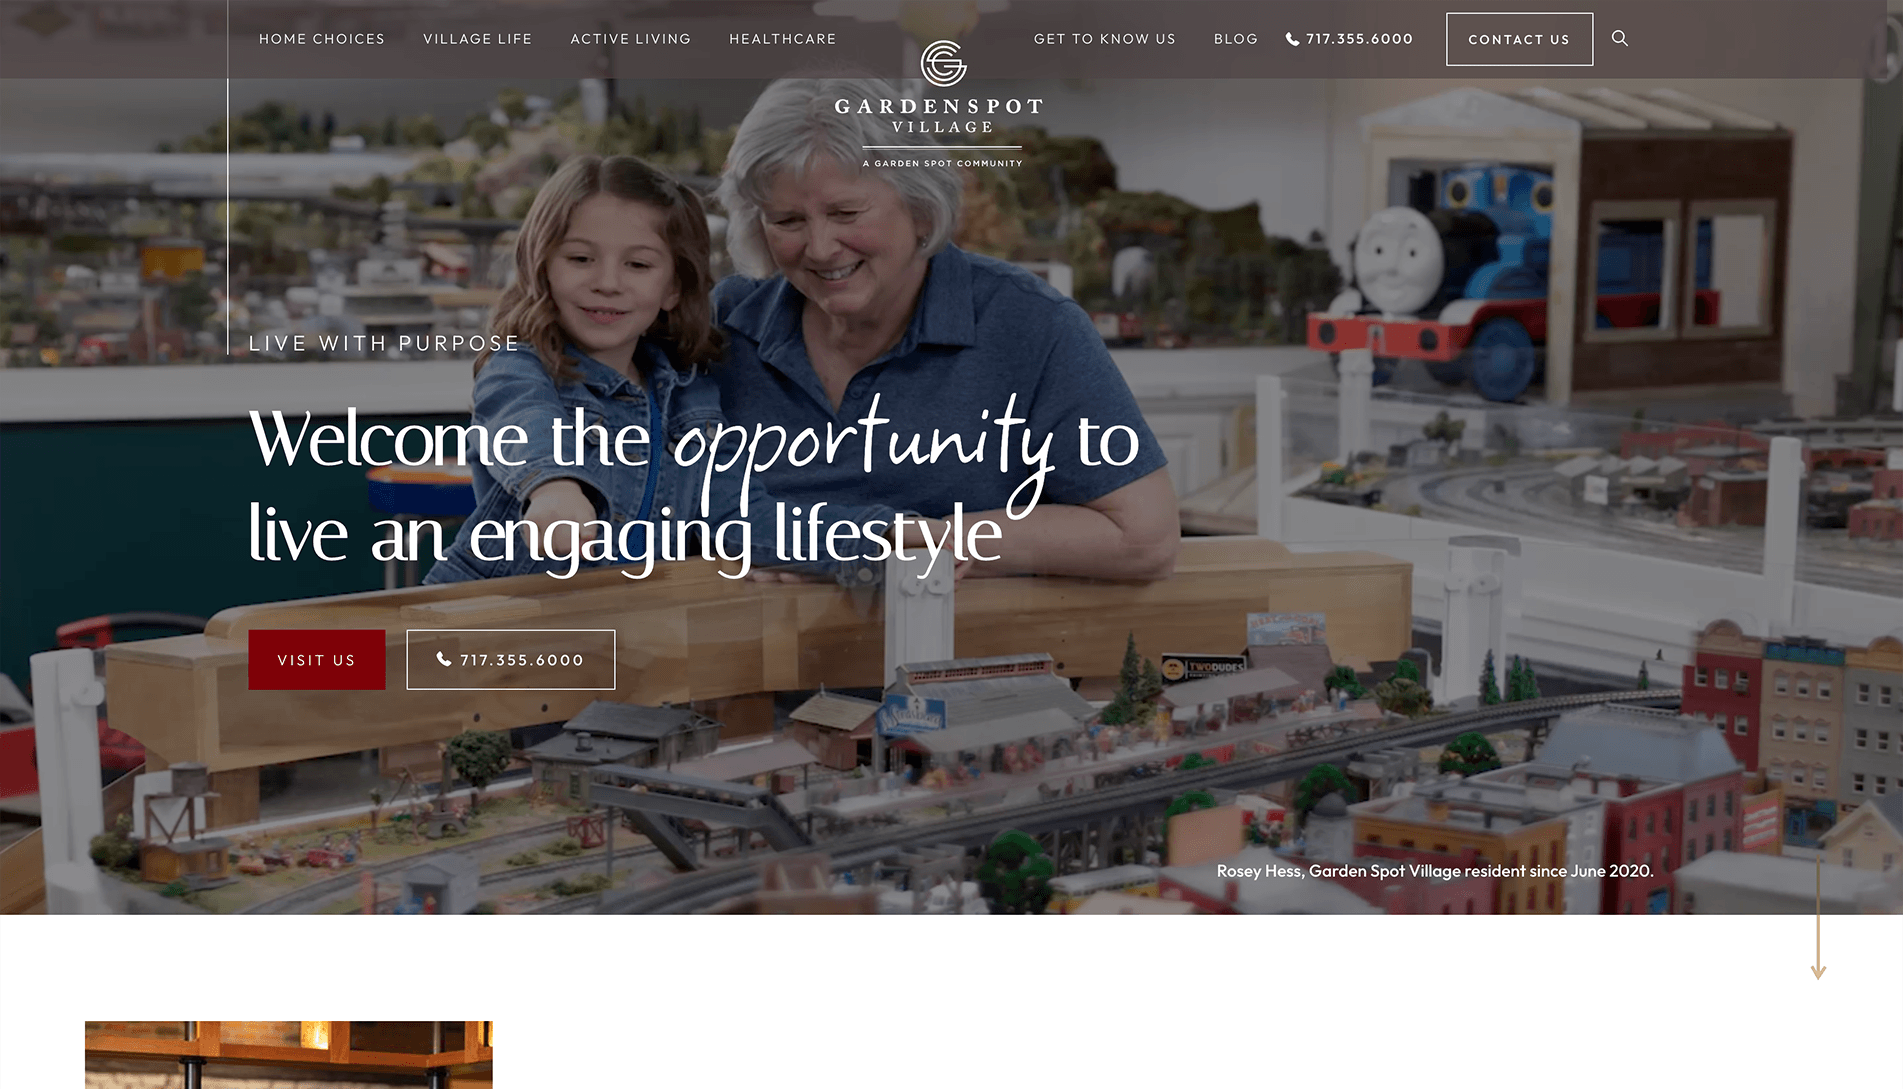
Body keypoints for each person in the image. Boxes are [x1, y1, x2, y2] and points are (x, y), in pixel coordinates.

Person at [712, 77, 1180, 581]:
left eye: (846, 213)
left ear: (919, 205)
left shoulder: (1029, 324)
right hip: (756, 652)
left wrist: (914, 541)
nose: (821, 247)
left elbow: (1145, 539)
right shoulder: (725, 321)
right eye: (787, 221)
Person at [424, 154, 900, 585]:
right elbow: (525, 424)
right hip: (492, 623)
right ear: (541, 266)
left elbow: (746, 519)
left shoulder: (691, 396)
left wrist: (892, 535)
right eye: (580, 259)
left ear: (673, 288)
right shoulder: (520, 367)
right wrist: (554, 490)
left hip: (620, 632)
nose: (607, 283)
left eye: (637, 264)